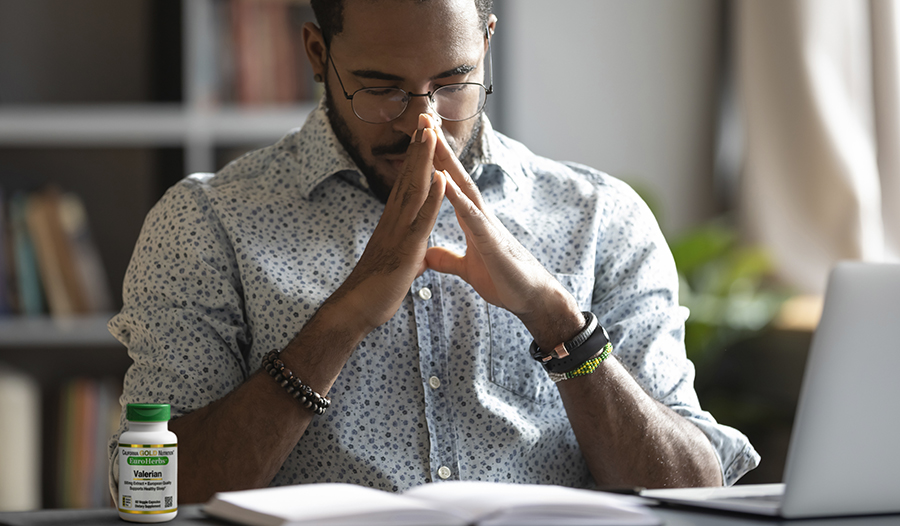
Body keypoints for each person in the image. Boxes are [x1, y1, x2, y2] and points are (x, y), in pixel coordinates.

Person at [108, 0, 759, 504]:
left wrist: (557, 322)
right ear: (316, 52)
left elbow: (694, 491)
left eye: (453, 82)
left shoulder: (599, 218)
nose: (423, 120)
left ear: (487, 45)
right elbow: (161, 490)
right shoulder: (205, 223)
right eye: (381, 87)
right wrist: (342, 321)